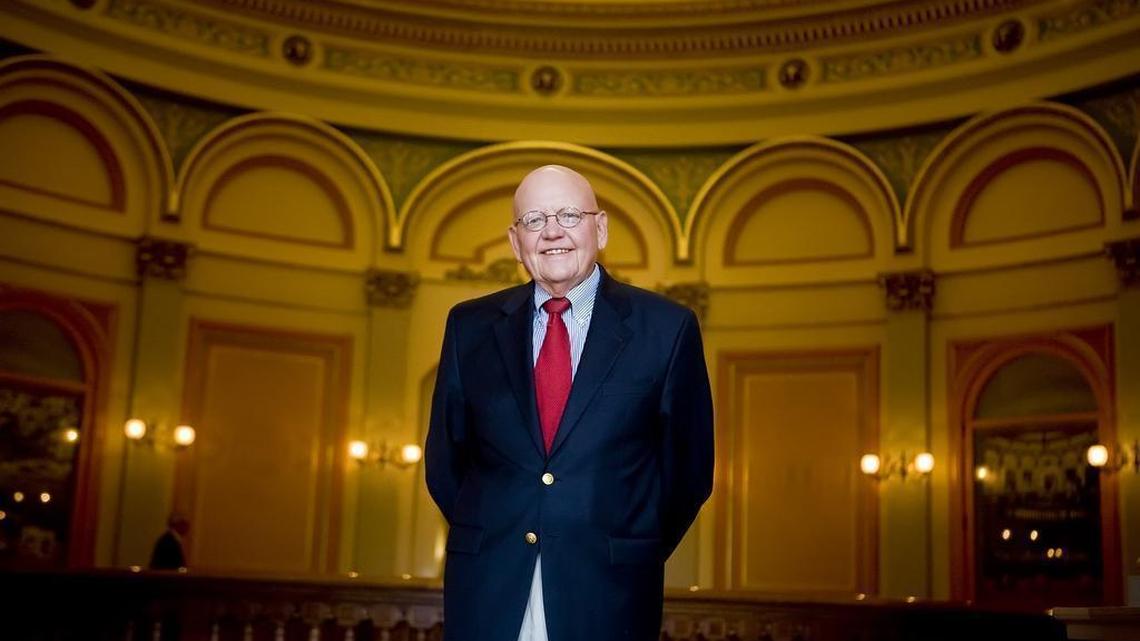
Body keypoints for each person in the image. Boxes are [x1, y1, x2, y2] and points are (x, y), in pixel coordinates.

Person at [425, 165, 714, 641]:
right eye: (535, 220)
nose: (552, 232)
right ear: (516, 242)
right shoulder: (468, 326)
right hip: (488, 590)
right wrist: (498, 525)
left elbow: (688, 473)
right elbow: (445, 461)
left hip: (609, 593)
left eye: (569, 215)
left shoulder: (667, 328)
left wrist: (622, 539)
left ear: (599, 228)